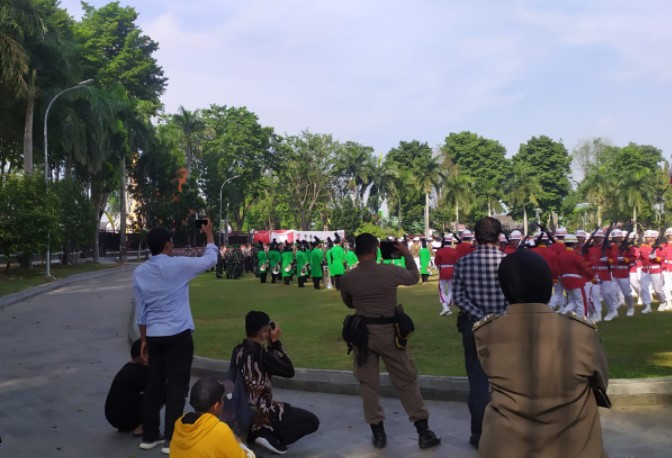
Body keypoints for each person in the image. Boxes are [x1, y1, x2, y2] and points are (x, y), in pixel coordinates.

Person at [473, 250, 609, 458]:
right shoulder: (582, 332)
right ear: (548, 285)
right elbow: (601, 383)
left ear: (505, 289)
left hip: (505, 445)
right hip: (574, 445)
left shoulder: (485, 332)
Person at [340, 233, 441, 450]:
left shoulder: (348, 277)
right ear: (376, 250)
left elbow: (349, 303)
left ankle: (378, 435)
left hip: (363, 334)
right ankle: (423, 431)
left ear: (356, 251)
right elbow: (414, 276)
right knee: (405, 380)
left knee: (368, 384)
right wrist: (406, 254)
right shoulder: (390, 271)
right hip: (389, 333)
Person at [133, 220, 218, 454]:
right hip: (178, 335)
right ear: (169, 245)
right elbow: (210, 259)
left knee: (154, 385)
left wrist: (143, 340)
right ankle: (172, 439)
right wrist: (208, 234)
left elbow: (141, 313)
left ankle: (150, 436)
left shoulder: (140, 272)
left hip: (154, 336)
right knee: (177, 388)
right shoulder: (177, 265)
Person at [452, 217, 508, 449]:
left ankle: (479, 434)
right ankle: (506, 431)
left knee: (477, 380)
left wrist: (480, 315)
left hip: (473, 326)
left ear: (475, 236)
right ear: (499, 236)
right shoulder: (508, 263)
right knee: (506, 380)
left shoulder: (463, 263)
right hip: (505, 327)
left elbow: (458, 297)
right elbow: (514, 295)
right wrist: (498, 315)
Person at [231, 311, 319, 455]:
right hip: (262, 410)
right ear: (263, 333)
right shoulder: (261, 355)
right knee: (312, 422)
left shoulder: (237, 351)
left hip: (240, 409)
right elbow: (289, 371)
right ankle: (264, 433)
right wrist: (275, 342)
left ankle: (255, 433)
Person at [171, 376, 255, 458]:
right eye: (222, 399)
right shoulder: (220, 431)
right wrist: (240, 445)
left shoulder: (180, 423)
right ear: (216, 405)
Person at [105, 339, 150, 436]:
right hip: (124, 419)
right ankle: (142, 428)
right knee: (164, 391)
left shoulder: (128, 367)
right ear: (144, 354)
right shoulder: (143, 371)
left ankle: (136, 423)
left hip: (112, 417)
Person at [434, 235, 458, 316]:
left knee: (442, 290)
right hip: (452, 271)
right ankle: (447, 307)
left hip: (443, 271)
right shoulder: (454, 251)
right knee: (451, 290)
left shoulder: (440, 251)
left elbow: (436, 262)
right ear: (450, 242)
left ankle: (445, 307)